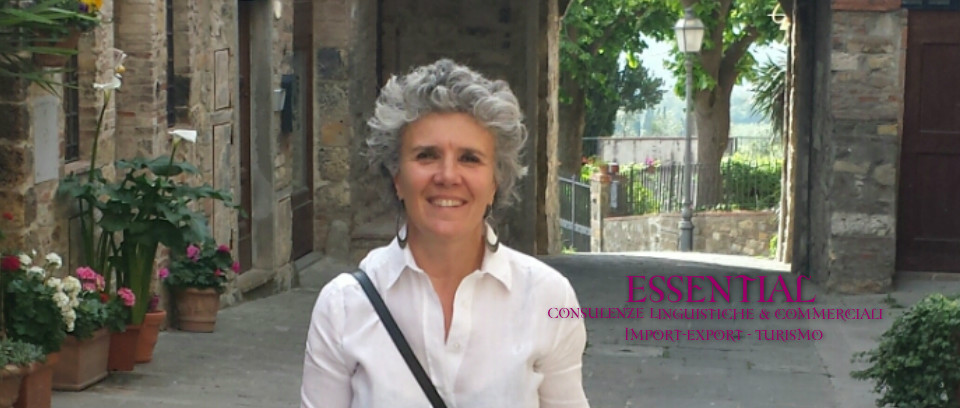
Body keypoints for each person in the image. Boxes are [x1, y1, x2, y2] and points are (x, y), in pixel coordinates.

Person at [300, 59, 589, 408]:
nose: (448, 176)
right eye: (427, 155)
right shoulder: (343, 307)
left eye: (470, 158)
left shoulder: (549, 298)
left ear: (495, 181)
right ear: (397, 177)